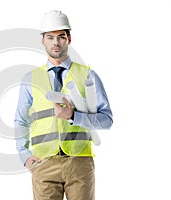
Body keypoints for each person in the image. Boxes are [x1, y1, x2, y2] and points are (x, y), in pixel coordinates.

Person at [14, 10, 113, 200]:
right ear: (43, 41)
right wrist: (24, 156)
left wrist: (74, 116)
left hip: (80, 163)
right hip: (43, 163)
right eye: (50, 37)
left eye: (60, 37)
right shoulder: (31, 80)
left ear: (69, 38)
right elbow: (21, 120)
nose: (56, 42)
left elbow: (107, 120)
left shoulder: (88, 76)